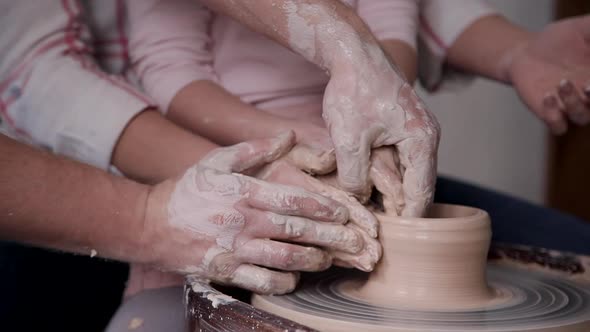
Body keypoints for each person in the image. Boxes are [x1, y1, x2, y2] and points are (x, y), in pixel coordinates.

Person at [0, 1, 435, 330]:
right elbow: (38, 77)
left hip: (344, 166)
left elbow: (402, 32)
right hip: (188, 174)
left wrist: (369, 95)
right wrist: (270, 154)